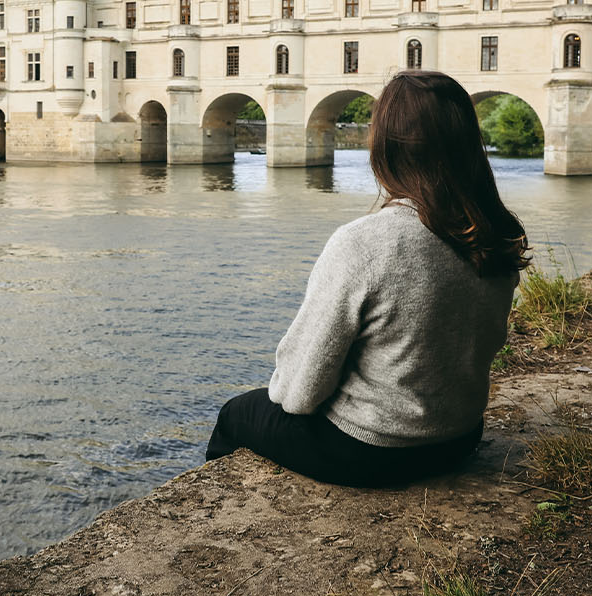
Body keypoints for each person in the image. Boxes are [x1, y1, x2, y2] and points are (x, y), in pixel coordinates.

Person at [206, 70, 529, 487]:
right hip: (459, 437)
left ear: (385, 148)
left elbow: (299, 393)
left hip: (371, 452)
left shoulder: (366, 241)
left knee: (237, 414)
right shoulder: (493, 231)